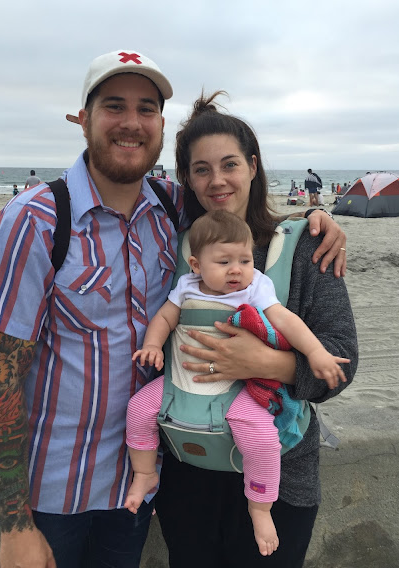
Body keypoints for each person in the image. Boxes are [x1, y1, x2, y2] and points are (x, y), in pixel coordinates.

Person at [0, 51, 346, 568]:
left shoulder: (172, 211)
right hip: (58, 492)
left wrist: (320, 218)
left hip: (139, 488)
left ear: (161, 126)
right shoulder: (40, 219)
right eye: (114, 106)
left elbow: (241, 217)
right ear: (83, 118)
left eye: (146, 109)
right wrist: (15, 524)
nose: (131, 122)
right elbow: (0, 379)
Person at [154, 92, 357, 568]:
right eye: (201, 169)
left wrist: (266, 363)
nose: (217, 180)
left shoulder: (305, 246)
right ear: (186, 179)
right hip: (187, 466)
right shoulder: (174, 249)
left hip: (281, 477)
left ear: (252, 165)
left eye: (229, 164)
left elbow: (342, 359)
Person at [125, 210, 350, 557]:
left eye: (245, 260)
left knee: (262, 439)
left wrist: (316, 353)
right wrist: (153, 345)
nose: (237, 270)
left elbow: (285, 321)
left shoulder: (255, 286)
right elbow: (165, 318)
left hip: (234, 391)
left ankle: (260, 507)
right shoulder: (186, 285)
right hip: (180, 383)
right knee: (138, 409)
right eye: (224, 262)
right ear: (196, 265)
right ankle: (144, 474)